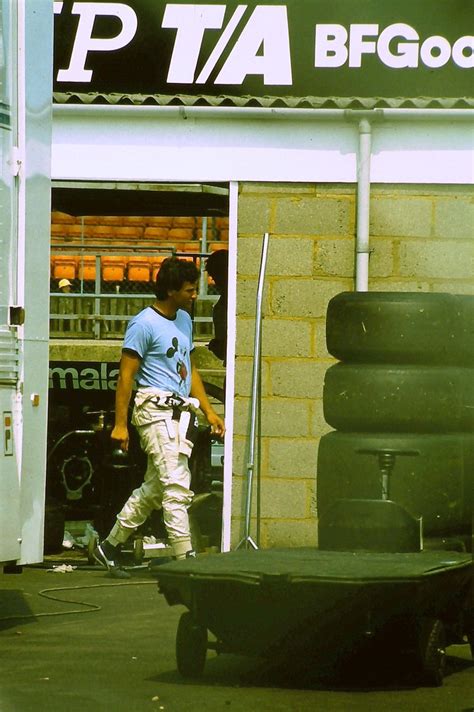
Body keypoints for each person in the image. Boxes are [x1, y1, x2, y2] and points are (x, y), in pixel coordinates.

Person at [93, 257, 225, 578]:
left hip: (179, 411)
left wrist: (208, 411)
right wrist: (121, 424)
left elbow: (189, 369)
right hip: (153, 410)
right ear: (170, 290)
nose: (195, 294)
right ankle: (186, 560)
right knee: (176, 486)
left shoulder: (184, 320)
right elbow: (126, 377)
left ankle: (107, 547)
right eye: (189, 289)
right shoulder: (143, 324)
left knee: (154, 488)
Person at [205, 249, 228, 363]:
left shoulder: (223, 306)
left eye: (214, 277)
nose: (215, 282)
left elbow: (223, 350)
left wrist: (214, 345)